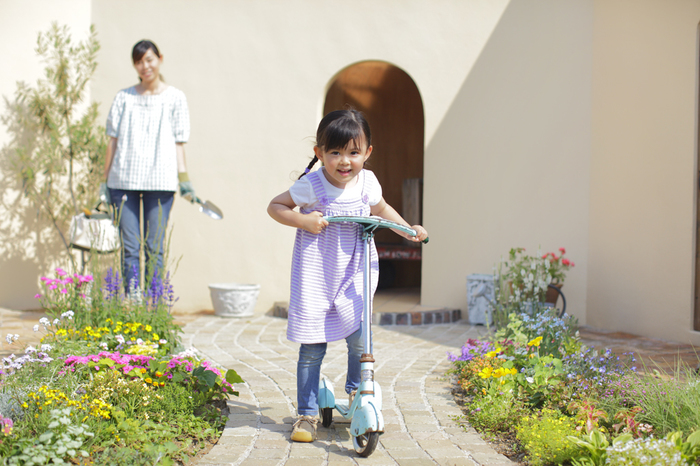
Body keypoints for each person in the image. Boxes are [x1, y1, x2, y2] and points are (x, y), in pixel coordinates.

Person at [267, 109, 429, 442]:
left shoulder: (367, 182)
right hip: (317, 273)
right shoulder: (311, 185)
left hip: (355, 270)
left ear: (367, 153)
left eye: (353, 153)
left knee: (360, 341)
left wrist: (407, 229)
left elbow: (381, 209)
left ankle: (357, 394)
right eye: (335, 153)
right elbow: (276, 206)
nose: (344, 161)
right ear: (320, 153)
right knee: (312, 347)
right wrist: (305, 220)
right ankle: (307, 414)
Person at [100, 39, 196, 294]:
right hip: (122, 183)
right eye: (139, 61)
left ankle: (154, 307)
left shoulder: (175, 98)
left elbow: (179, 143)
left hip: (161, 183)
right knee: (130, 247)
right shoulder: (124, 97)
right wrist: (104, 180)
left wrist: (184, 180)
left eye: (149, 59)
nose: (145, 66)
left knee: (155, 247)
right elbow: (112, 141)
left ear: (160, 59)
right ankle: (133, 305)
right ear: (135, 65)